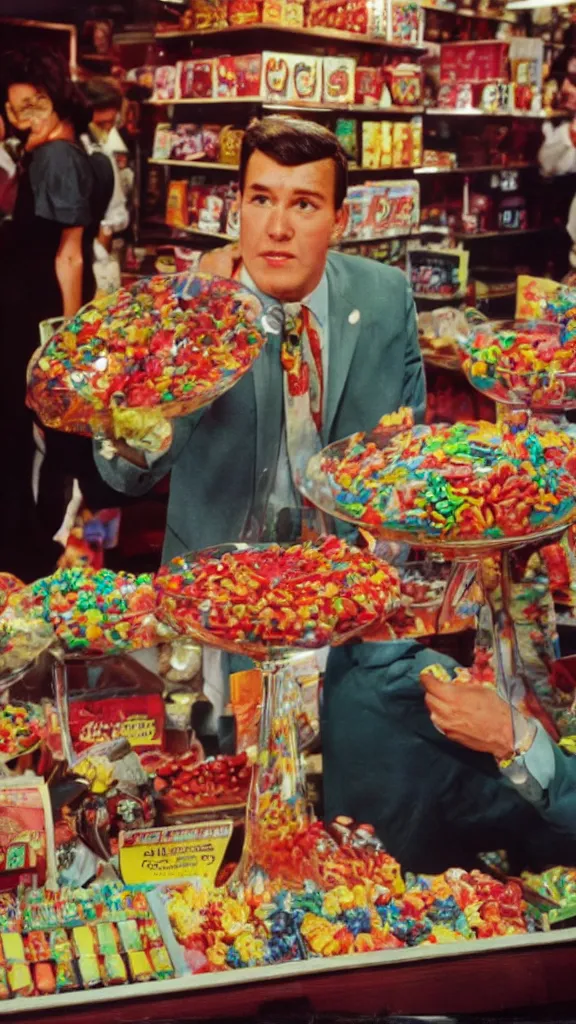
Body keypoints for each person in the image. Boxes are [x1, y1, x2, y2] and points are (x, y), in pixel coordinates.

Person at [95, 116, 425, 559]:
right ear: (238, 207)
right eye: (261, 199)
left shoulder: (386, 295)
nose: (277, 228)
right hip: (214, 590)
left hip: (351, 587)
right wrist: (201, 326)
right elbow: (125, 473)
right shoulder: (195, 306)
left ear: (340, 220)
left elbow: (409, 450)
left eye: (304, 204)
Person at [0, 46, 114, 580]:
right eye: (16, 109)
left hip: (36, 322)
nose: (23, 120)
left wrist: (67, 339)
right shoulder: (73, 154)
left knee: (43, 439)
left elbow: (69, 255)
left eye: (33, 106)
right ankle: (65, 552)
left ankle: (40, 556)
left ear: (57, 102)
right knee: (52, 437)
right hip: (36, 318)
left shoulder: (56, 159)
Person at [322, 640, 576, 874]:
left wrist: (517, 739)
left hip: (385, 862)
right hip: (400, 864)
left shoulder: (365, 660)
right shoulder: (406, 674)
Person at [539, 47, 576, 277]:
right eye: (565, 79)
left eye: (573, 81)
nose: (564, 88)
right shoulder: (562, 127)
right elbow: (549, 164)